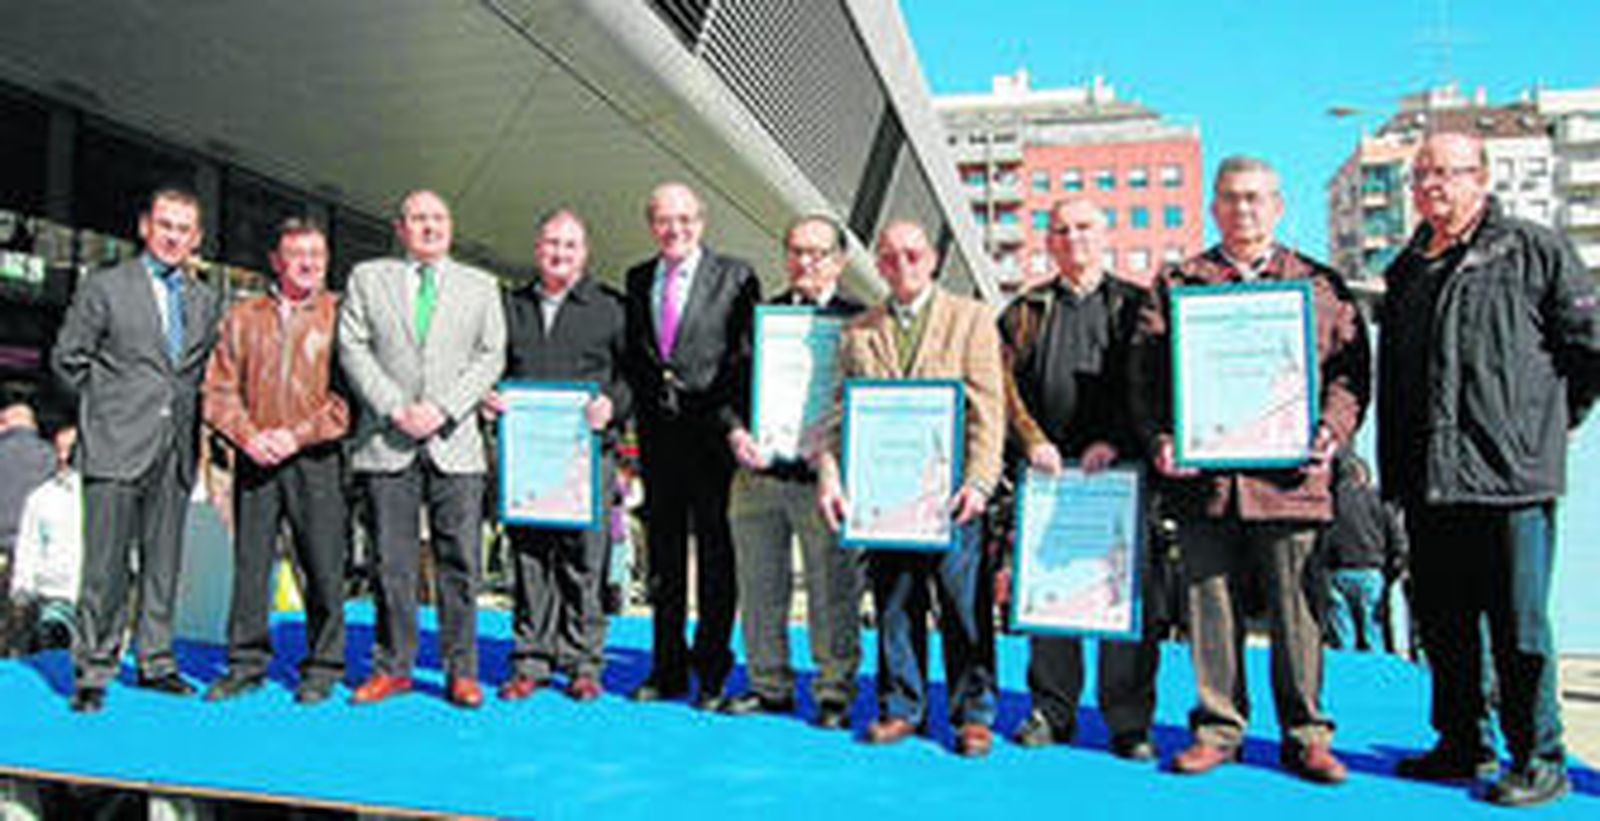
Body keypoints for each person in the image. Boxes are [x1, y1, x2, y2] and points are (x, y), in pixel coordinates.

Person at [1129, 156, 1369, 782]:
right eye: (1232, 198)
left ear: (1279, 205)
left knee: (1299, 613)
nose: (1244, 209)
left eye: (1256, 198)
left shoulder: (1319, 284)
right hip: (1205, 482)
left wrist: (1331, 432)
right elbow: (1147, 378)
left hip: (1291, 481)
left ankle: (1307, 733)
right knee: (1210, 609)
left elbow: (1350, 374)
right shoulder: (1178, 282)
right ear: (1214, 207)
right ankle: (1217, 728)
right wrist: (1160, 438)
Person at [1378, 131, 1600, 808]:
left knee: (1519, 623)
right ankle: (1460, 740)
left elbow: (1588, 348)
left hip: (1511, 479)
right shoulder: (1406, 269)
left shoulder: (1534, 249)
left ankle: (1539, 753)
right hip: (1429, 481)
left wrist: (1545, 425)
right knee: (1443, 622)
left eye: (1446, 173)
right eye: (1421, 176)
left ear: (1481, 177)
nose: (1431, 187)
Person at [816, 219, 1003, 757]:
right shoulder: (858, 331)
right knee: (896, 602)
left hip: (953, 497)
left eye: (913, 255)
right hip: (885, 497)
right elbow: (838, 413)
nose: (902, 265)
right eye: (890, 257)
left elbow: (988, 410)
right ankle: (901, 707)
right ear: (877, 264)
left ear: (933, 260)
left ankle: (973, 712)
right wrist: (832, 473)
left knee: (963, 605)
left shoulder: (970, 320)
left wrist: (980, 482)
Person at [52, 187, 224, 712]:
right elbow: (67, 360)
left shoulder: (204, 299)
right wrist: (102, 414)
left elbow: (198, 374)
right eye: (166, 225)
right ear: (146, 227)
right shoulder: (105, 287)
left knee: (163, 564)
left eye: (185, 229)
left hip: (173, 451)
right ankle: (93, 669)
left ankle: (156, 661)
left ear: (195, 239)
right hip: (114, 447)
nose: (174, 237)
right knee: (103, 568)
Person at [999, 197, 1160, 760]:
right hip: (1049, 476)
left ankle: (1128, 719)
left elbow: (1151, 386)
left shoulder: (1138, 305)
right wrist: (1032, 440)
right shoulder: (1025, 310)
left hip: (1122, 474)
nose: (1074, 238)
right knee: (1050, 599)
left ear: (1106, 233)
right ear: (1049, 242)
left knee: (1125, 596)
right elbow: (1003, 387)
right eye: (1061, 230)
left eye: (1085, 227)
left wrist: (1115, 439)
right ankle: (1052, 709)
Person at [338, 190, 506, 708]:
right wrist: (394, 408)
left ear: (449, 227)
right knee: (392, 561)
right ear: (400, 227)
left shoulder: (481, 285)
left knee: (460, 561)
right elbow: (353, 346)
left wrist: (444, 409)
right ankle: (394, 666)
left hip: (454, 442)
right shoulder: (368, 278)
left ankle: (461, 670)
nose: (429, 227)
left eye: (437, 219)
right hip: (388, 441)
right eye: (418, 219)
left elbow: (490, 355)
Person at [721, 215, 866, 729]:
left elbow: (866, 401)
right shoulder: (762, 317)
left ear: (839, 260)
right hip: (757, 477)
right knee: (759, 587)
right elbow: (730, 388)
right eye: (796, 251)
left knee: (833, 588)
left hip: (822, 481)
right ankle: (769, 684)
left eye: (818, 252)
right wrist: (737, 431)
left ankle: (833, 689)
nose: (805, 261)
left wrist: (830, 444)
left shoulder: (860, 320)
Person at [200, 218, 350, 705]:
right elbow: (218, 391)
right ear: (276, 261)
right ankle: (245, 663)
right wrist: (247, 436)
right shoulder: (243, 317)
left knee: (323, 564)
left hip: (316, 459)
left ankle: (323, 665)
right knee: (251, 565)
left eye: (317, 255)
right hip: (255, 455)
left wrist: (297, 435)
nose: (307, 263)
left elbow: (349, 400)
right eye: (297, 254)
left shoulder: (341, 315)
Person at [622, 182, 760, 709]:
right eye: (663, 219)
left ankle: (712, 669)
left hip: (712, 439)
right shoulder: (637, 279)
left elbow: (744, 360)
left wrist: (735, 425)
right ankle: (667, 667)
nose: (674, 228)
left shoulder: (736, 276)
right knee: (664, 560)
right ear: (651, 223)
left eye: (684, 218)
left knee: (716, 556)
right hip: (658, 442)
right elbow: (637, 361)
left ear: (701, 221)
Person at [490, 209, 630, 703]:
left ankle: (582, 662)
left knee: (583, 562)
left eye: (570, 246)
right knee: (529, 558)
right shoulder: (510, 305)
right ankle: (530, 659)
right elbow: (493, 366)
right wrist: (491, 396)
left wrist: (613, 404)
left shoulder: (611, 307)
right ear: (537, 249)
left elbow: (632, 377)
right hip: (526, 457)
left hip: (587, 455)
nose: (560, 253)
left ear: (584, 253)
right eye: (551, 243)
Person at [1320, 454, 1406, 653]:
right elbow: (1395, 536)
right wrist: (1395, 569)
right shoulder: (1377, 499)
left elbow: (1322, 540)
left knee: (1343, 638)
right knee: (1374, 635)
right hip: (1372, 571)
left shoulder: (1330, 501)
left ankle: (1347, 680)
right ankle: (1375, 679)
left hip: (1338, 571)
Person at [8, 425, 82, 654]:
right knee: (52, 650)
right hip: (53, 594)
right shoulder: (41, 497)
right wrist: (21, 587)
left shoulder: (103, 496)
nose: (63, 456)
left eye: (69, 449)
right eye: (58, 449)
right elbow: (28, 544)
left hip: (94, 597)